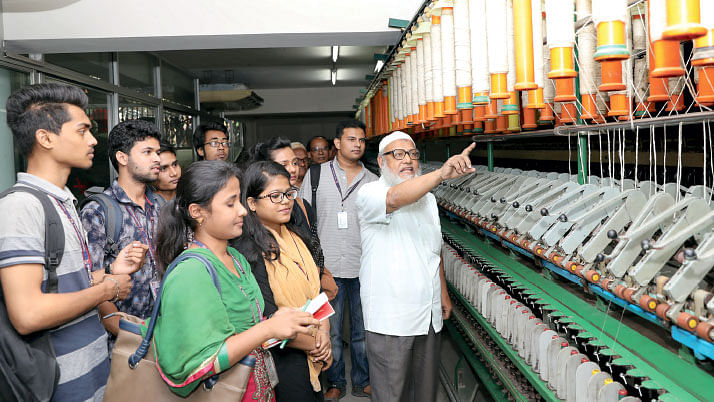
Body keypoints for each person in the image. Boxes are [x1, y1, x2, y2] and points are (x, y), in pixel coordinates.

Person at [0, 83, 145, 401]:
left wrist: (108, 273)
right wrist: (108, 289)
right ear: (46, 138)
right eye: (82, 131)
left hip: (89, 375)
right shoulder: (22, 206)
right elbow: (28, 314)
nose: (93, 140)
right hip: (59, 386)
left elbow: (58, 287)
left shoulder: (63, 201)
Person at [153, 160, 319, 401]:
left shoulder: (237, 258)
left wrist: (274, 321)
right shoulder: (191, 272)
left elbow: (248, 325)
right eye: (230, 203)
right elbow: (198, 362)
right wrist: (268, 328)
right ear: (197, 212)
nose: (242, 210)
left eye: (239, 201)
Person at [355, 131, 475, 402]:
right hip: (392, 318)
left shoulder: (429, 200)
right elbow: (395, 198)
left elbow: (433, 248)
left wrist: (442, 292)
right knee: (391, 394)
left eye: (412, 154)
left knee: (424, 393)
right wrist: (441, 174)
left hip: (428, 315)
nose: (407, 160)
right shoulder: (370, 192)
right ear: (381, 161)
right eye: (397, 154)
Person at [233, 161, 331, 402]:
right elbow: (266, 316)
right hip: (282, 355)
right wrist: (314, 344)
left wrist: (325, 335)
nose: (286, 201)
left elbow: (316, 290)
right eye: (275, 196)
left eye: (288, 193)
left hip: (314, 343)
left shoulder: (296, 235)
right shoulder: (248, 251)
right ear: (252, 203)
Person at [299, 119, 377, 399]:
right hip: (326, 268)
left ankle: (362, 379)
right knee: (328, 330)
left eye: (361, 140)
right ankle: (335, 383)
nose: (357, 144)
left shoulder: (372, 181)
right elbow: (303, 218)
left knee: (362, 331)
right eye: (351, 139)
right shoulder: (316, 175)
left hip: (363, 266)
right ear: (338, 143)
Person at [80, 119, 161, 344]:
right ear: (122, 157)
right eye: (147, 152)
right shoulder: (98, 212)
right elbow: (92, 283)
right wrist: (129, 336)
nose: (157, 159)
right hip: (123, 342)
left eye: (158, 152)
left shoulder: (161, 206)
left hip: (166, 334)